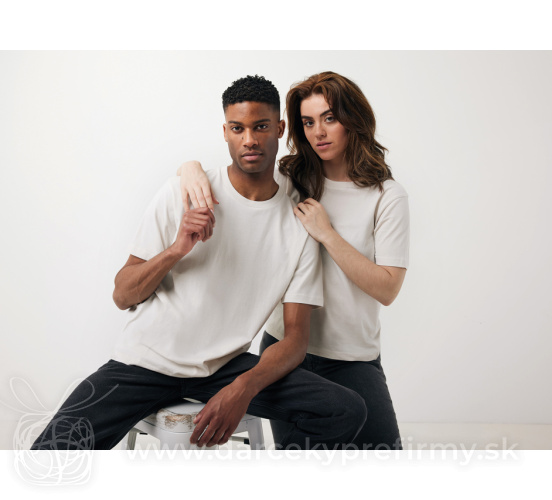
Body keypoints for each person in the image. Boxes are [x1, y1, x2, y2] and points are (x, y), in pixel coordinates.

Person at [30, 75, 367, 451]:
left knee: (344, 410)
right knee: (49, 455)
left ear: (280, 129)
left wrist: (243, 388)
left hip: (224, 368)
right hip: (145, 363)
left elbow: (295, 341)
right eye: (237, 128)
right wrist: (176, 250)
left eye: (260, 127)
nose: (249, 140)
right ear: (225, 132)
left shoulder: (299, 222)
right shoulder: (184, 192)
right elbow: (123, 295)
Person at [178, 71, 409, 450]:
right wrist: (189, 167)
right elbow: (232, 177)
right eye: (308, 122)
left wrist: (327, 234)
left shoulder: (386, 196)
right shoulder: (290, 177)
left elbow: (387, 288)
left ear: (353, 118)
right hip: (283, 352)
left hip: (353, 358)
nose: (319, 132)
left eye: (329, 118)